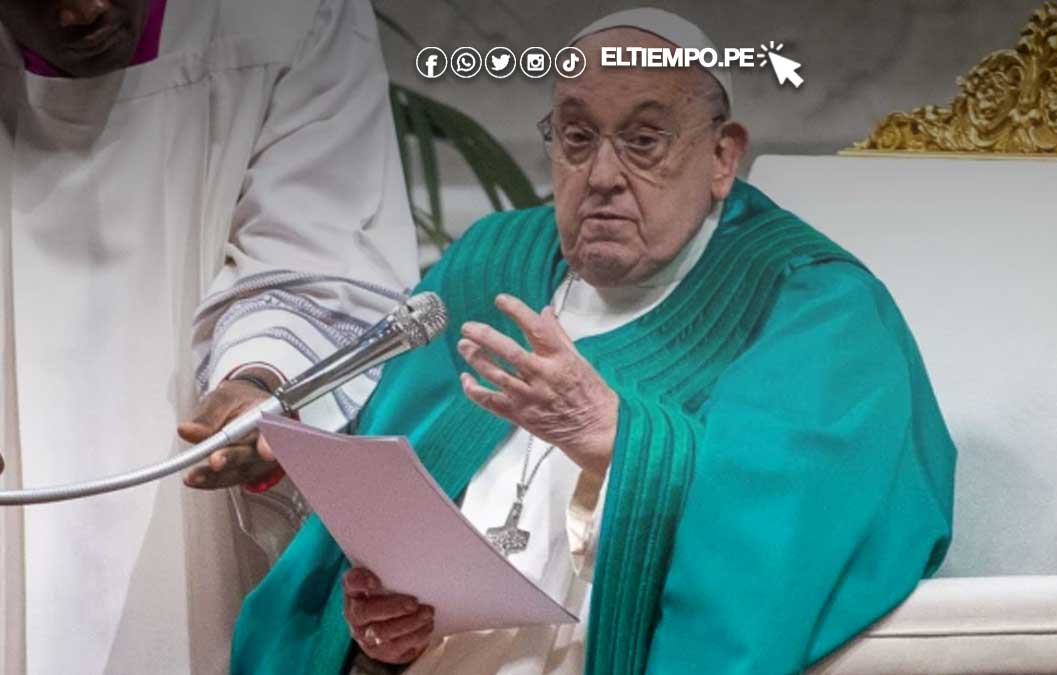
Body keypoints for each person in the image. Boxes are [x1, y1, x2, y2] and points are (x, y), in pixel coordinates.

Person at [229, 8, 956, 675]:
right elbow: (377, 514)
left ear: (722, 156)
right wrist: (381, 634)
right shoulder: (491, 265)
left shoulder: (814, 306)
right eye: (577, 138)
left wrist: (623, 440)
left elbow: (796, 529)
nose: (603, 176)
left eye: (644, 141)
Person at [0, 0, 419, 672]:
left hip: (203, 522)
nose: (83, 11)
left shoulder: (294, 15)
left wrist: (261, 383)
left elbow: (320, 246)